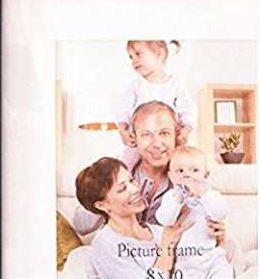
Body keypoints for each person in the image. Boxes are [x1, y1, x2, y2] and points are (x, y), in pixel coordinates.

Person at [75, 156, 256, 279]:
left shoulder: (158, 231)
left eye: (131, 180)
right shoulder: (106, 244)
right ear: (102, 205)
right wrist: (167, 247)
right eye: (122, 189)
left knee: (248, 261)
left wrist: (219, 240)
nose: (135, 189)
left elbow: (198, 271)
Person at [73, 101, 225, 245]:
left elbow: (211, 217)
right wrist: (114, 179)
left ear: (176, 136)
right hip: (123, 250)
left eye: (164, 133)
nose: (157, 144)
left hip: (166, 254)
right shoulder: (122, 170)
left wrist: (218, 236)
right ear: (134, 137)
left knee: (230, 245)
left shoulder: (191, 172)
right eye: (146, 134)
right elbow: (81, 226)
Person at [155, 145, 233, 279]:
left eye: (194, 170)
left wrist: (203, 194)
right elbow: (164, 219)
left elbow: (220, 213)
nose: (187, 175)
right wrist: (177, 199)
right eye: (180, 171)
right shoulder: (170, 197)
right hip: (186, 260)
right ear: (171, 176)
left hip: (212, 255)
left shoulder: (211, 195)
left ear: (206, 175)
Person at [117, 40, 197, 170]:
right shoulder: (136, 86)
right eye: (131, 57)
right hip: (141, 141)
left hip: (170, 141)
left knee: (187, 161)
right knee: (124, 163)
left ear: (159, 54)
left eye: (138, 54)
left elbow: (188, 110)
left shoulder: (175, 85)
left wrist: (185, 130)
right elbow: (123, 110)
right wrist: (123, 131)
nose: (134, 60)